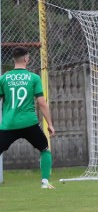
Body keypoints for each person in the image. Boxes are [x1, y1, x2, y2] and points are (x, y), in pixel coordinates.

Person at [0, 47, 56, 189]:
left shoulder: (4, 78)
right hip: (29, 123)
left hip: (8, 124)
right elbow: (42, 103)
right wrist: (50, 124)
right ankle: (44, 182)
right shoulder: (34, 78)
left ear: (14, 59)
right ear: (26, 59)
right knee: (44, 149)